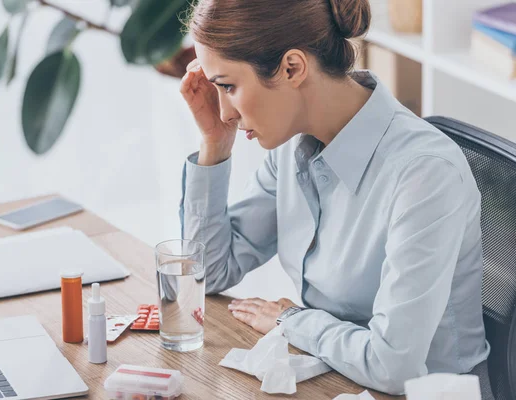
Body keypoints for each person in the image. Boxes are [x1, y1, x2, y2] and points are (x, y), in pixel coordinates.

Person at [178, 0, 493, 396]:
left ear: (293, 67)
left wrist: (292, 319)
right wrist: (213, 144)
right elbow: (210, 273)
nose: (224, 112)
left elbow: (392, 364)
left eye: (228, 86)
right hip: (335, 378)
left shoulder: (424, 174)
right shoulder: (291, 148)